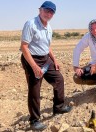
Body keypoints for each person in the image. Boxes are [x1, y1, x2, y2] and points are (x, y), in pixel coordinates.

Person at [20, 1, 72, 131]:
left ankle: (58, 107)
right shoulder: (31, 24)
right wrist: (34, 67)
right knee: (35, 90)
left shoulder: (49, 27)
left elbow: (47, 47)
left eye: (51, 12)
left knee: (59, 79)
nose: (48, 14)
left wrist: (54, 59)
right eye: (46, 10)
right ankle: (34, 120)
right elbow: (24, 47)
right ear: (40, 10)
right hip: (31, 59)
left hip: (46, 59)